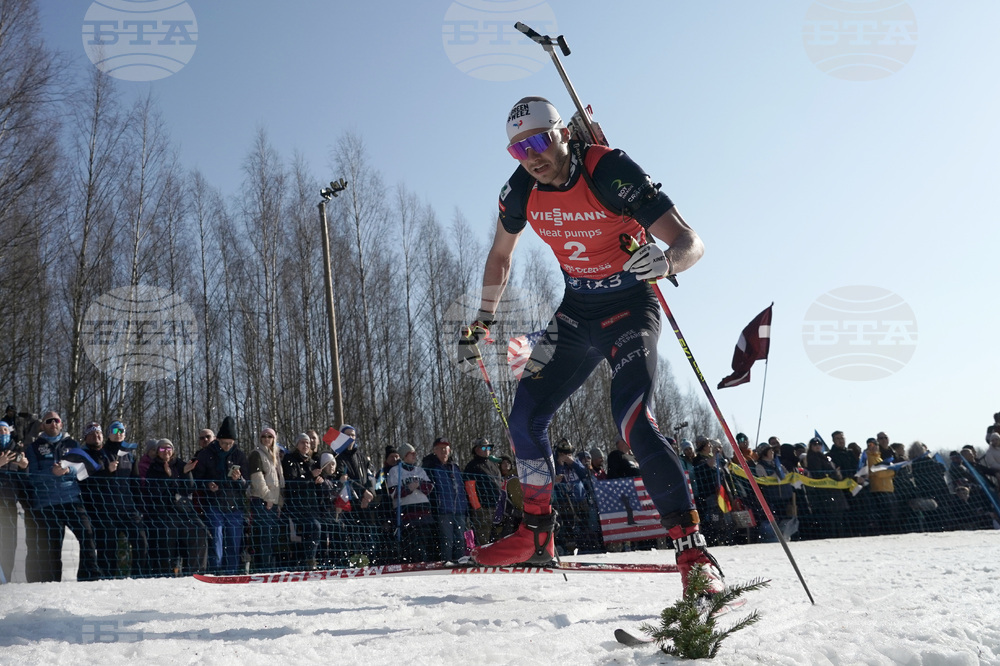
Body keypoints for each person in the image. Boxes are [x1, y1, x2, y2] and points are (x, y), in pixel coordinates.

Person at [457, 96, 716, 592]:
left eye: (538, 141)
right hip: (576, 315)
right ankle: (536, 535)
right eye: (518, 149)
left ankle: (693, 554)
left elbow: (689, 239)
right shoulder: (519, 192)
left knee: (633, 422)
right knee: (524, 419)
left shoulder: (609, 169)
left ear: (563, 134)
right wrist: (484, 319)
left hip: (629, 309)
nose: (531, 155)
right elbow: (500, 256)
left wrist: (668, 261)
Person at [24, 411, 102, 581]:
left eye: (56, 420)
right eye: (49, 421)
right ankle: (53, 585)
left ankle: (89, 578)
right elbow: (31, 476)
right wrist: (52, 472)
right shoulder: (33, 447)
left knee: (87, 534)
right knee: (53, 546)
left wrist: (67, 470)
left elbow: (82, 469)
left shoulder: (73, 444)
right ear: (42, 425)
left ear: (61, 424)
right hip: (46, 503)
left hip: (71, 499)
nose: (53, 423)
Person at [193, 416, 249, 574]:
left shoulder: (239, 455)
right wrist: (207, 485)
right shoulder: (206, 454)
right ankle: (216, 571)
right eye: (224, 443)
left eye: (230, 443)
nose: (226, 446)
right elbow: (197, 479)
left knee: (234, 541)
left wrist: (240, 480)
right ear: (218, 440)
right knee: (216, 539)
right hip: (214, 503)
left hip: (235, 505)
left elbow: (247, 484)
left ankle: (232, 572)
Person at [143, 439, 207, 576]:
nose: (166, 451)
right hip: (163, 512)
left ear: (173, 450)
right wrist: (170, 478)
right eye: (162, 449)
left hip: (184, 512)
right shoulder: (153, 468)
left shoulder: (181, 465)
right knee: (168, 533)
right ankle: (167, 572)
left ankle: (195, 571)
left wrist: (185, 473)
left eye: (168, 448)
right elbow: (156, 493)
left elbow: (188, 489)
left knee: (200, 530)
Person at [421, 437, 470, 562]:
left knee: (460, 538)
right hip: (443, 510)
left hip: (459, 509)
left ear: (450, 450)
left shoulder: (455, 467)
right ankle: (446, 562)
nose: (444, 451)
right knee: (447, 539)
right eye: (441, 449)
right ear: (435, 451)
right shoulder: (430, 467)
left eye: (446, 449)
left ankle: (461, 561)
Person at [387, 443, 434, 562]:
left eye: (414, 453)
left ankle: (424, 561)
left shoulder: (420, 470)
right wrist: (408, 489)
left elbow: (429, 488)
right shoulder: (395, 471)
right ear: (404, 455)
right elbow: (393, 493)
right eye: (411, 453)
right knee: (410, 541)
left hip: (423, 512)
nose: (415, 455)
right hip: (406, 512)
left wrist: (419, 485)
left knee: (425, 539)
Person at [282, 433, 322, 569]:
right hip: (296, 504)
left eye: (308, 443)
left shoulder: (312, 462)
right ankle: (309, 560)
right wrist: (311, 475)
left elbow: (314, 483)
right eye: (302, 442)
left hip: (311, 504)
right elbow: (292, 482)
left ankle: (308, 561)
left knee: (312, 531)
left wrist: (319, 481)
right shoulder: (290, 459)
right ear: (297, 444)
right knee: (313, 528)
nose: (306, 445)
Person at [247, 427, 284, 572]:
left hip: (273, 503)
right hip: (262, 501)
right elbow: (257, 479)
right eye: (264, 436)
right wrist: (268, 497)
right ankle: (263, 569)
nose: (266, 439)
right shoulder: (257, 454)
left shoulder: (275, 456)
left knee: (272, 536)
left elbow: (279, 481)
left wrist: (278, 502)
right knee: (264, 537)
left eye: (270, 436)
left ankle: (270, 568)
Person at [0, 420, 29, 582]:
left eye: (5, 430)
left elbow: (25, 479)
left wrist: (24, 466)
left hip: (10, 502)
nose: (2, 433)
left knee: (9, 542)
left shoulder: (18, 450)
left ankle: (6, 580)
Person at [463, 436, 501, 547]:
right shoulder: (472, 466)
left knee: (497, 537)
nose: (487, 450)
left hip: (498, 507)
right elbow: (470, 488)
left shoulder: (493, 465)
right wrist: (477, 507)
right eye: (483, 448)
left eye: (489, 447)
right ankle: (483, 562)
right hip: (483, 509)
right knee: (483, 539)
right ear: (476, 450)